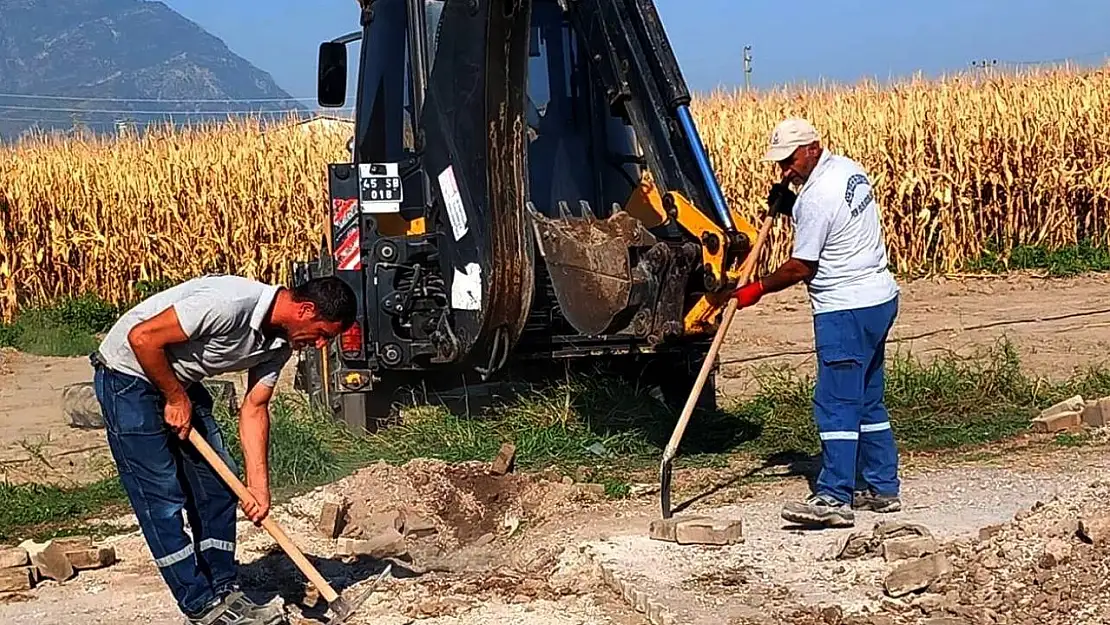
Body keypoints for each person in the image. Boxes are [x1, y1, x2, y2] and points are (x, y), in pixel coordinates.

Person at [90, 274, 357, 624]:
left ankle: (224, 591)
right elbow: (142, 338)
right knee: (162, 497)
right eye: (323, 333)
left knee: (218, 487)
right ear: (305, 310)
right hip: (128, 376)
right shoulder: (229, 303)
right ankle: (200, 605)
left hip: (179, 379)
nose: (321, 345)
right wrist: (174, 398)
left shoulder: (281, 345)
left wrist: (258, 487)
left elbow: (255, 408)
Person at [734, 118, 902, 529]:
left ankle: (834, 496)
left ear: (812, 148)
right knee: (867, 400)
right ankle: (881, 487)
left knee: (836, 404)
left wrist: (751, 290)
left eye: (789, 161)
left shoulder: (816, 198)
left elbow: (800, 267)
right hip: (879, 299)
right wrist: (790, 203)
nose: (784, 171)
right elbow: (836, 223)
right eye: (780, 164)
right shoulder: (849, 171)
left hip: (844, 309)